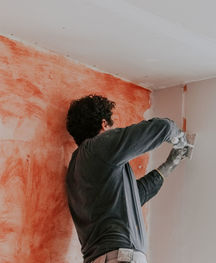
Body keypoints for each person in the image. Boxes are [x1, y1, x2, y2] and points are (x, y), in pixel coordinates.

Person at [65, 94, 188, 263]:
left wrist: (168, 166)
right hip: (119, 256)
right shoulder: (99, 147)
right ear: (104, 124)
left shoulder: (75, 167)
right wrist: (178, 137)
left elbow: (132, 196)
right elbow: (163, 127)